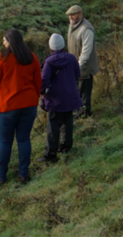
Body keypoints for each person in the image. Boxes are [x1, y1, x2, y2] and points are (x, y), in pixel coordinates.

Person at [0, 28, 41, 184]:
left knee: (5, 141)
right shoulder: (32, 57)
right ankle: (24, 174)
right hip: (29, 105)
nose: (3, 42)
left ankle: (0, 176)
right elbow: (38, 82)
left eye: (4, 40)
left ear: (10, 42)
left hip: (8, 106)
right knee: (24, 139)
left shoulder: (2, 59)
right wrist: (34, 98)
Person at [37, 33, 82, 163]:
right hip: (70, 97)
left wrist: (42, 93)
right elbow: (77, 74)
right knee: (68, 123)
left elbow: (44, 81)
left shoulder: (49, 63)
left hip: (55, 99)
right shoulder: (72, 58)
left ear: (51, 47)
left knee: (53, 126)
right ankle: (66, 147)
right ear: (63, 45)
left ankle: (50, 154)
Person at [66, 5, 98, 117]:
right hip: (74, 68)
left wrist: (77, 68)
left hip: (84, 69)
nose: (71, 17)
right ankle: (78, 114)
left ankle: (86, 117)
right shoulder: (72, 26)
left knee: (84, 94)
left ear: (80, 14)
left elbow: (86, 53)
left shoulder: (86, 30)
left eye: (73, 15)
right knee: (76, 93)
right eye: (70, 15)